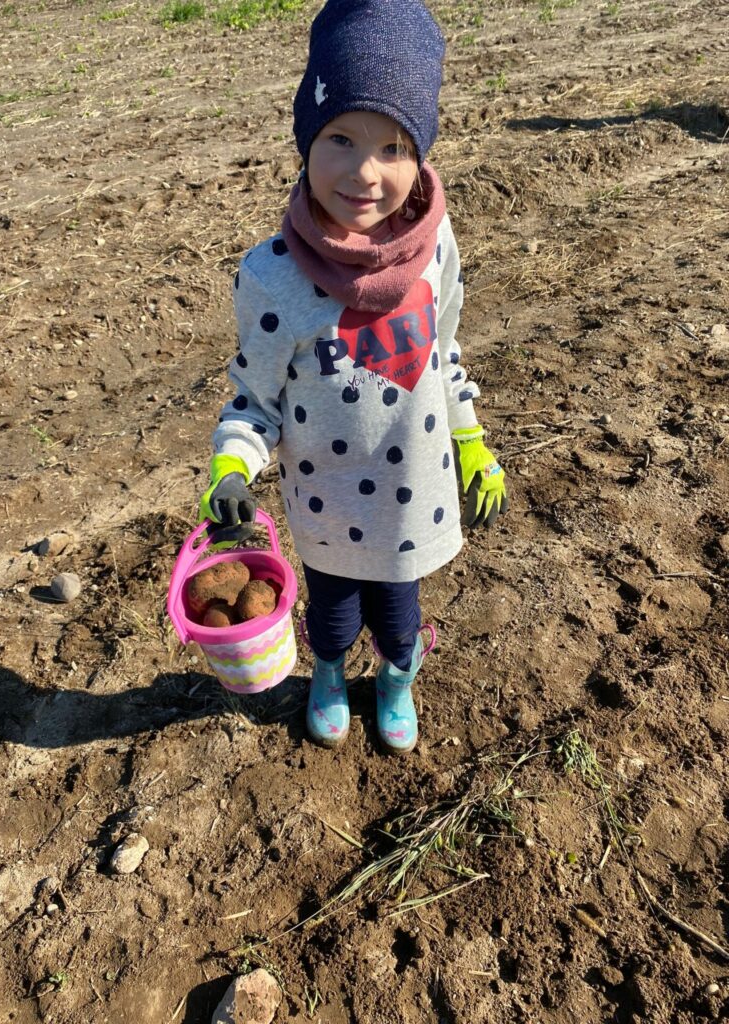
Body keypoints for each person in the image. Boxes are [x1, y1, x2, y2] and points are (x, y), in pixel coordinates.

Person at [198, 0, 508, 754]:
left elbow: (444, 355)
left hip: (412, 504)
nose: (365, 173)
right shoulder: (272, 277)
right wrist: (231, 469)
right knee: (333, 618)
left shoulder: (437, 247)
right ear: (305, 137)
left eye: (394, 147)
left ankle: (396, 681)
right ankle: (331, 676)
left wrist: (471, 441)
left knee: (399, 620)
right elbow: (255, 401)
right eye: (340, 137)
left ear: (421, 155)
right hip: (327, 511)